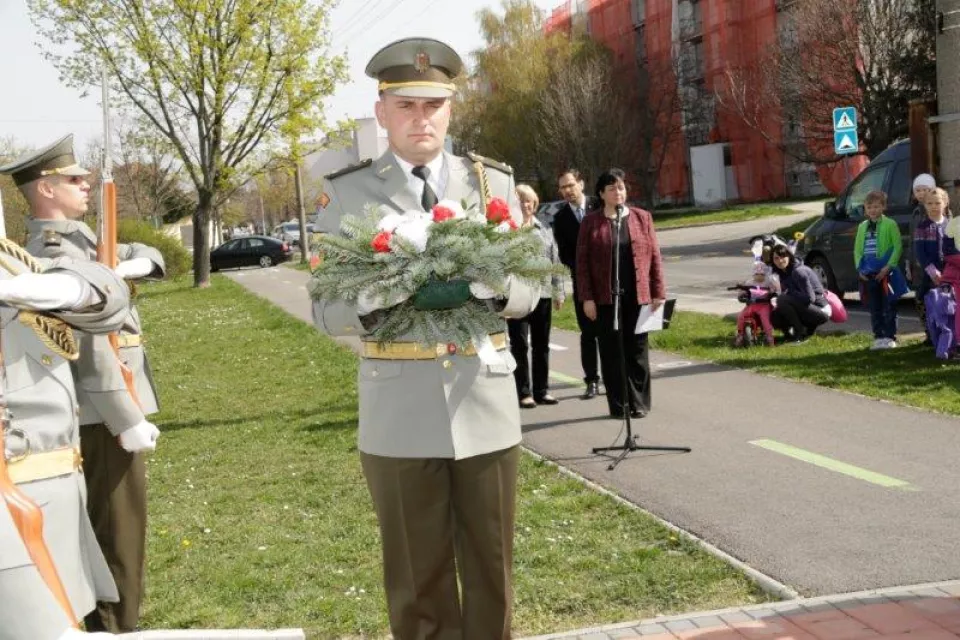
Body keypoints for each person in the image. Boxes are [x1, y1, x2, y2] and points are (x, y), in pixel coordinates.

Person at [310, 38, 540, 639]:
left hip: (484, 402)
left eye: (433, 105)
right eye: (406, 105)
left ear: (451, 110)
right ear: (381, 112)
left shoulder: (491, 183)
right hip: (399, 409)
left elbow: (531, 292)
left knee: (493, 572)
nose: (421, 118)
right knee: (416, 581)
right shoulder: (348, 192)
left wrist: (498, 283)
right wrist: (371, 295)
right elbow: (326, 309)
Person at [1, 134, 164, 633]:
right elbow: (91, 346)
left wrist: (129, 265)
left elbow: (148, 253)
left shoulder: (85, 240)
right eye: (74, 180)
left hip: (107, 406)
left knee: (120, 535)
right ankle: (112, 627)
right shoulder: (42, 250)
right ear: (45, 189)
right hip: (98, 412)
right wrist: (126, 416)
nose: (85, 185)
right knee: (115, 533)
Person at [0, 234, 134, 640]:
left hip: (52, 495)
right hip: (16, 502)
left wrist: (72, 287)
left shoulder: (7, 257)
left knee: (67, 612)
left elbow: (108, 299)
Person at [576, 168, 665, 419]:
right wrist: (587, 298)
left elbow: (655, 257)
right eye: (613, 188)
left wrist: (658, 291)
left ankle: (639, 403)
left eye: (622, 187)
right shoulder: (590, 222)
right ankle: (618, 404)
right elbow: (582, 264)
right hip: (606, 299)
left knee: (637, 351)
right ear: (602, 194)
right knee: (612, 351)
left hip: (638, 296)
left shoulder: (641, 218)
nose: (619, 192)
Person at [507, 184, 565, 408]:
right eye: (521, 201)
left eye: (529, 201)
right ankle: (524, 392)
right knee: (519, 345)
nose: (525, 205)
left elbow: (555, 261)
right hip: (517, 297)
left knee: (542, 345)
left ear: (535, 203)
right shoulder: (508, 230)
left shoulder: (544, 229)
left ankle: (542, 390)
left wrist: (558, 292)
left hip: (542, 295)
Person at [551, 169, 601, 398]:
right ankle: (591, 380)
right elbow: (564, 256)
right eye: (563, 187)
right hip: (582, 283)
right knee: (588, 333)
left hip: (607, 280)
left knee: (609, 332)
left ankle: (614, 378)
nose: (567, 191)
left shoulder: (599, 206)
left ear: (581, 183)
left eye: (570, 185)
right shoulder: (560, 220)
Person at [854, 190, 904, 350]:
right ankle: (879, 336)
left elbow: (897, 247)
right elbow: (857, 250)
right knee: (875, 306)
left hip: (886, 272)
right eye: (869, 207)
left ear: (883, 207)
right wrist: (859, 268)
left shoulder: (890, 224)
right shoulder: (862, 226)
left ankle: (890, 336)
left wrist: (888, 266)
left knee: (889, 305)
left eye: (876, 206)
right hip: (869, 273)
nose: (873, 210)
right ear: (865, 208)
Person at [769, 245, 830, 343]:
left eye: (783, 257)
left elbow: (810, 298)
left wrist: (790, 293)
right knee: (774, 316)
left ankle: (799, 333)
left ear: (789, 256)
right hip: (806, 308)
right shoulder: (783, 273)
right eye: (776, 258)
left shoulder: (799, 272)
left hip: (820, 310)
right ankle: (789, 335)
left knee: (782, 299)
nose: (780, 261)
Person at [914, 187, 952, 344]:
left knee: (948, 302)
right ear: (924, 205)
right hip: (929, 273)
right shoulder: (922, 227)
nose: (934, 206)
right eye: (929, 203)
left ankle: (948, 334)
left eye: (937, 203)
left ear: (945, 203)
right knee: (925, 300)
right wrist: (933, 272)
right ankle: (930, 334)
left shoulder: (950, 226)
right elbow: (920, 253)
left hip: (949, 271)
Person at [909, 174, 938, 334]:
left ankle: (938, 331)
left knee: (936, 299)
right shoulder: (915, 213)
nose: (921, 193)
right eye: (917, 190)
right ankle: (928, 332)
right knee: (920, 298)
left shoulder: (937, 209)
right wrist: (909, 262)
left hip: (933, 265)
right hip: (918, 267)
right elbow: (911, 242)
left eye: (924, 189)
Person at [733, 261, 779, 348]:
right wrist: (742, 296)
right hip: (752, 304)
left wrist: (773, 293)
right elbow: (743, 291)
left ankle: (769, 337)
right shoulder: (750, 282)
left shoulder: (768, 282)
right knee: (741, 316)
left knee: (765, 319)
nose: (759, 276)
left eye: (762, 274)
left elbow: (775, 289)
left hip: (764, 304)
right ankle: (740, 334)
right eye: (757, 274)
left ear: (765, 274)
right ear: (753, 274)